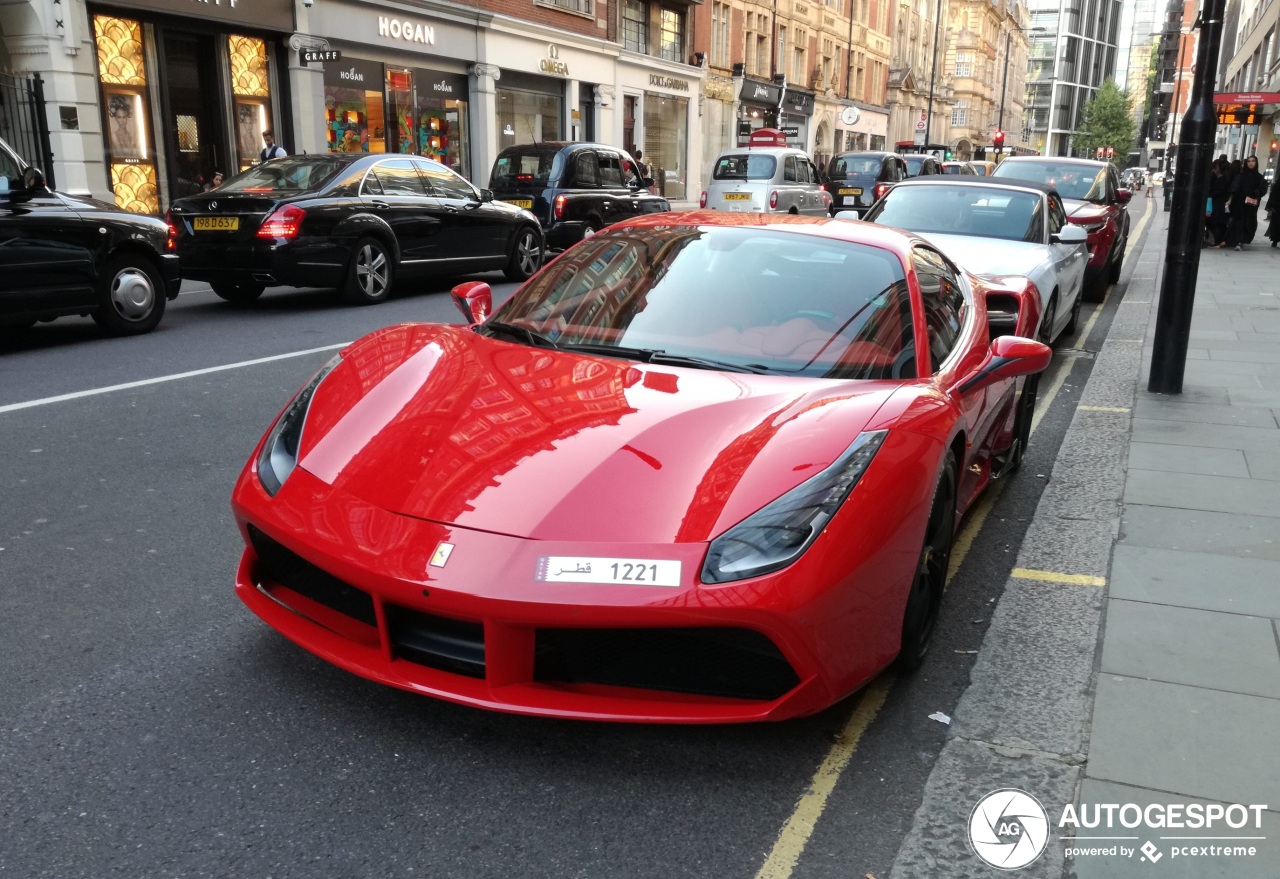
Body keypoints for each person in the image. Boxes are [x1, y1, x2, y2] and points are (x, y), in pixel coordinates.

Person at [1225, 155, 1267, 250]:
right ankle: (1238, 240)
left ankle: (1242, 240)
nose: (1251, 163)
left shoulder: (1259, 177)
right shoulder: (1240, 176)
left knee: (1248, 222)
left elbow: (1262, 189)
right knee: (1238, 221)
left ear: (1256, 163)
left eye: (1253, 161)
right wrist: (1230, 199)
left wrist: (1255, 194)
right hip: (1239, 202)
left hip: (1250, 204)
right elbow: (1234, 188)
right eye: (1249, 161)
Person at [1207, 159, 1231, 248]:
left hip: (1218, 204)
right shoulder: (1218, 178)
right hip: (1218, 203)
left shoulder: (1222, 179)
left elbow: (1216, 192)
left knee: (1214, 222)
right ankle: (1220, 240)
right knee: (1216, 223)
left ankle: (1218, 241)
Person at [1266, 165, 1280, 247]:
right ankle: (1275, 239)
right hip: (1278, 206)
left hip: (1277, 205)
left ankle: (1275, 239)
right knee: (1277, 224)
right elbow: (1274, 194)